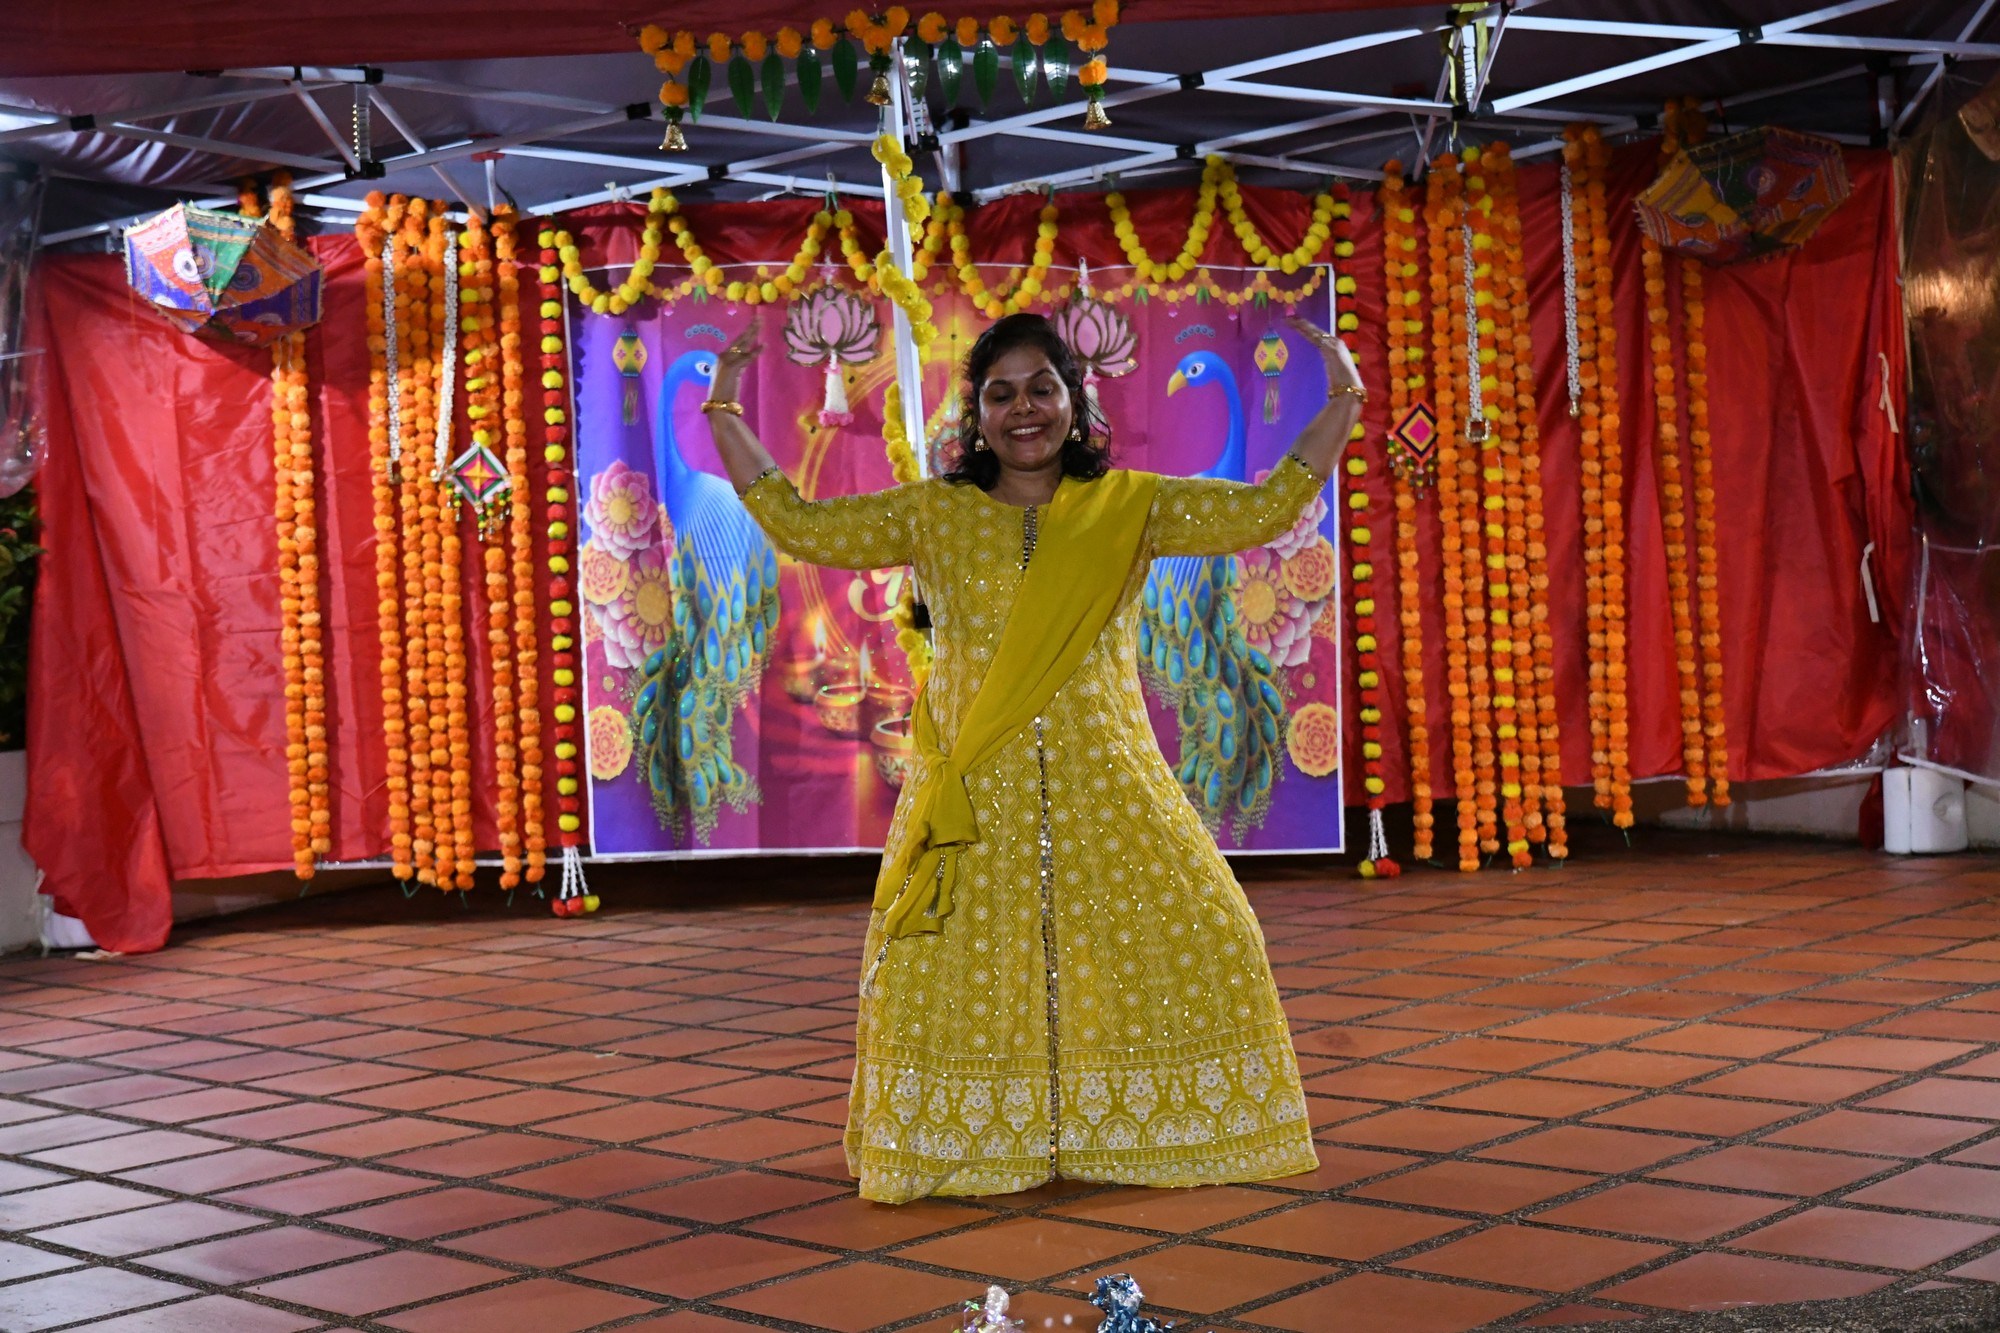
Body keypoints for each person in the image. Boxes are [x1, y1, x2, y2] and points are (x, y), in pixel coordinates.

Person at [701, 312, 1365, 1203]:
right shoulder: (934, 513)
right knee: (938, 972)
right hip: (975, 791)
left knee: (1214, 931)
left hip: (1110, 778)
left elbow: (1267, 508)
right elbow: (800, 523)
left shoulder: (1132, 506)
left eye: (1042, 389)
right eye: (1002, 393)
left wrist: (1345, 398)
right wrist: (722, 407)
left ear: (1074, 400)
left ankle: (1143, 1127)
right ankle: (961, 1141)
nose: (1024, 410)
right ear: (976, 414)